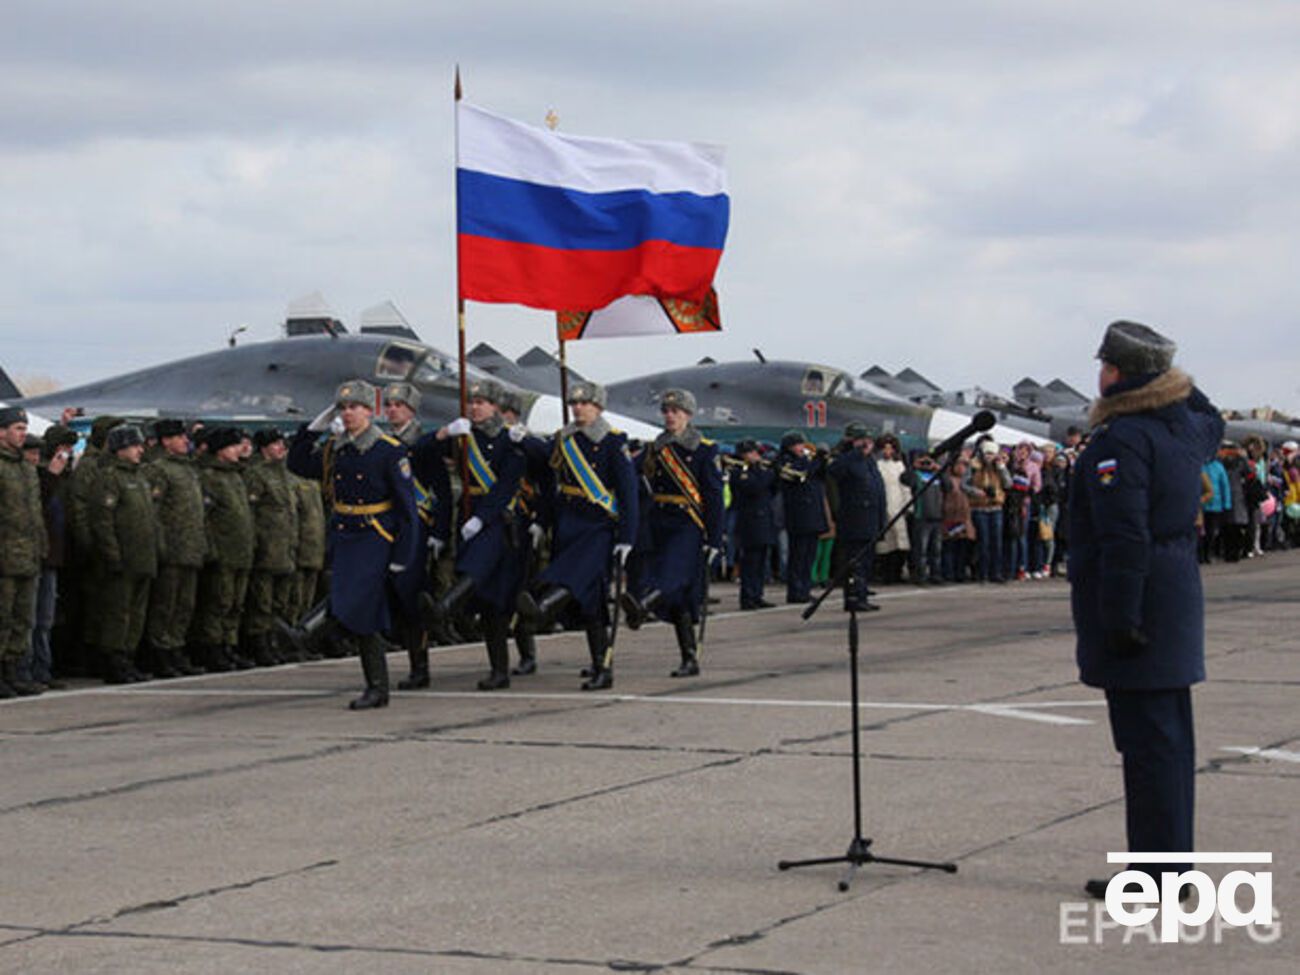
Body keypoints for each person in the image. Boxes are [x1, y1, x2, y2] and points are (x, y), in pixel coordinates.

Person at [1069, 320, 1223, 901]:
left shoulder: (1124, 440)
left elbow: (1124, 536)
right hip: (1174, 598)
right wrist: (1168, 370)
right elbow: (1211, 414)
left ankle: (1158, 877)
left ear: (1117, 372)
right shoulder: (1183, 429)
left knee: (1148, 746)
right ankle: (1169, 869)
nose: (1100, 374)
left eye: (1106, 365)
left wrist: (1119, 617)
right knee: (1169, 744)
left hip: (1143, 605)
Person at [289, 381, 420, 709]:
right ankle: (376, 687)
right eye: (342, 408)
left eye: (354, 407)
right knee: (363, 610)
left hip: (375, 536)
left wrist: (403, 555)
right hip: (345, 535)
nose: (347, 414)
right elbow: (298, 464)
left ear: (369, 411)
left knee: (359, 602)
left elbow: (407, 510)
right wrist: (311, 430)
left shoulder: (389, 450)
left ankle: (307, 633)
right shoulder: (336, 448)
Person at [516, 380, 637, 689]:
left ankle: (543, 609)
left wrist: (627, 536)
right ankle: (601, 666)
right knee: (591, 602)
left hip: (598, 527)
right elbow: (549, 479)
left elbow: (628, 493)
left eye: (585, 404)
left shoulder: (613, 442)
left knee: (571, 577)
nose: (578, 408)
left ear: (598, 407)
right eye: (574, 404)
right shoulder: (563, 439)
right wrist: (542, 521)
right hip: (568, 524)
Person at [417, 379, 524, 691]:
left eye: (481, 402)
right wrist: (442, 434)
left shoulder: (509, 440)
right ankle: (499, 671)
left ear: (495, 407)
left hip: (497, 522)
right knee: (490, 605)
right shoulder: (463, 436)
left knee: (479, 573)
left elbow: (507, 485)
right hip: (468, 517)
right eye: (471, 402)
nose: (475, 407)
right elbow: (419, 454)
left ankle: (443, 610)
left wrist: (481, 517)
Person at [620, 389, 723, 678]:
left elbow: (714, 497)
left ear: (688, 415)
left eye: (676, 411)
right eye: (666, 411)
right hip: (659, 523)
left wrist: (715, 539)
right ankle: (688, 657)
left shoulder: (704, 449)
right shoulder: (656, 448)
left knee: (672, 575)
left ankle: (642, 606)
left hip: (688, 524)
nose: (670, 416)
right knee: (678, 597)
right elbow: (630, 474)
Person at [383, 381, 452, 689]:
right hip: (385, 527)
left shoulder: (426, 443)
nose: (393, 410)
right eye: (389, 405)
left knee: (413, 598)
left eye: (399, 405)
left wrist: (439, 531)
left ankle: (419, 667)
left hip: (417, 528)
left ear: (411, 410)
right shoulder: (382, 441)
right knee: (391, 597)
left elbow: (443, 492)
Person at [91, 424, 161, 684]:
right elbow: (102, 521)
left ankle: (129, 657)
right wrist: (112, 555)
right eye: (134, 445)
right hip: (124, 558)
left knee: (137, 612)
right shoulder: (110, 477)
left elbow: (151, 519)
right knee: (119, 613)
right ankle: (114, 659)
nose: (140, 450)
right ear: (120, 448)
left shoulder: (140, 478)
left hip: (143, 557)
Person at [142, 418, 207, 677]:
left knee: (184, 605)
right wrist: (160, 545)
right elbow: (153, 512)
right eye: (179, 437)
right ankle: (160, 652)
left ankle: (176, 648)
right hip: (171, 549)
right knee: (165, 605)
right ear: (166, 441)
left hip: (190, 548)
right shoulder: (158, 470)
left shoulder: (188, 469)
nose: (185, 441)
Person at [191, 428, 256, 673]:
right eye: (232, 446)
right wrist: (211, 549)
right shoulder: (209, 477)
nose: (238, 450)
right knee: (219, 602)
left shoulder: (236, 476)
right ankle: (212, 647)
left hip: (241, 551)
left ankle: (229, 645)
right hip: (223, 551)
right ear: (220, 450)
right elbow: (205, 517)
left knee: (235, 604)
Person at [241, 428, 300, 666]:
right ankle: (259, 645)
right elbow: (250, 513)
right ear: (264, 447)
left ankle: (276, 643)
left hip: (285, 548)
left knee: (280, 602)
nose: (281, 448)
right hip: (266, 549)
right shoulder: (256, 475)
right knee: (261, 603)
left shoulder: (285, 475)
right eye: (275, 444)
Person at [0, 406, 47, 697]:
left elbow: (35, 513)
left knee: (23, 618)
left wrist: (41, 545)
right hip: (5, 556)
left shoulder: (27, 469)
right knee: (2, 617)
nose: (22, 433)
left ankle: (14, 669)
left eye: (24, 428)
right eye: (17, 428)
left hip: (27, 555)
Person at [827, 422, 886, 610]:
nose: (868, 444)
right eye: (863, 440)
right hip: (854, 519)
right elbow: (834, 471)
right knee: (854, 561)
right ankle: (853, 597)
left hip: (870, 519)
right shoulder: (846, 458)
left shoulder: (869, 461)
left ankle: (862, 594)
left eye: (869, 440)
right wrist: (855, 452)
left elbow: (877, 489)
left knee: (866, 561)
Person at [776, 431, 827, 603]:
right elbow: (800, 475)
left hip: (812, 515)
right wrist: (816, 460)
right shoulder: (785, 462)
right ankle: (795, 590)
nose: (802, 448)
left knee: (808, 556)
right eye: (798, 445)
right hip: (798, 516)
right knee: (798, 556)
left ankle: (805, 588)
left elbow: (821, 475)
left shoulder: (807, 461)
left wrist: (823, 460)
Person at [728, 439, 777, 610]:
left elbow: (772, 490)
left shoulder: (759, 470)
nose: (757, 455)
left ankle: (757, 594)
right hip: (749, 521)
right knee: (750, 562)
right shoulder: (739, 471)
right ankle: (748, 597)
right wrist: (766, 472)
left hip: (763, 520)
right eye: (754, 452)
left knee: (761, 561)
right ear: (745, 454)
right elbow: (756, 486)